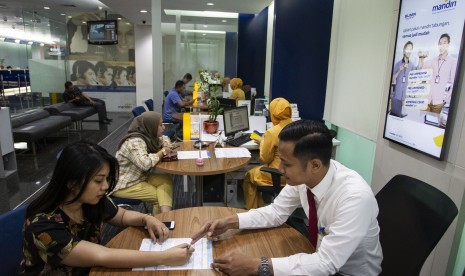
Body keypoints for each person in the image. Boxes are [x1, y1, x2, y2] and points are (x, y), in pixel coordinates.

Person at [191, 120, 382, 276]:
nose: (280, 169)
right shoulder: (304, 178)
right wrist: (230, 222)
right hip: (318, 258)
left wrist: (258, 265)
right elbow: (276, 212)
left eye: (286, 163)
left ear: (315, 165)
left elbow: (326, 263)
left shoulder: (354, 198)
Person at [20, 141, 194, 274]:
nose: (105, 186)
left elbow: (122, 215)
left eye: (106, 179)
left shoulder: (90, 200)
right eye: (98, 180)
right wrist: (164, 257)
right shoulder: (43, 226)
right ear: (72, 183)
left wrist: (146, 218)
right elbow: (102, 255)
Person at [111, 111, 175, 214]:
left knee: (166, 179)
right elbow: (145, 164)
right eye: (160, 125)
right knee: (159, 198)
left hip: (140, 178)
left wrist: (166, 146)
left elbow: (165, 139)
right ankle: (160, 226)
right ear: (151, 126)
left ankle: (165, 217)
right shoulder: (135, 142)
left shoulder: (148, 136)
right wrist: (163, 151)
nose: (163, 127)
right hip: (125, 184)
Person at [243, 98, 293, 209]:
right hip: (295, 176)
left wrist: (263, 143)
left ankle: (253, 211)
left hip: (278, 175)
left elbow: (265, 159)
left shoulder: (272, 132)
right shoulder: (298, 128)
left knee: (249, 175)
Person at [418, 33, 457, 113]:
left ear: (448, 45)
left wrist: (444, 99)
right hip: (426, 100)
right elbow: (421, 68)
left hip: (438, 103)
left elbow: (454, 84)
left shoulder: (452, 62)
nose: (441, 45)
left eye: (444, 43)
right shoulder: (433, 60)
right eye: (440, 43)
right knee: (421, 123)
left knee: (433, 123)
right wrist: (422, 58)